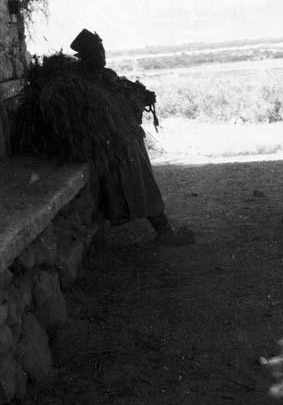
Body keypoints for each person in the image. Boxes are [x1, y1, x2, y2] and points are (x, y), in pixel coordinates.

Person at [69, 28, 195, 246]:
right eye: (96, 51)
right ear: (85, 57)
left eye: (102, 49)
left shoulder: (107, 77)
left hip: (123, 139)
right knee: (136, 171)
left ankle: (162, 227)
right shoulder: (80, 84)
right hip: (110, 145)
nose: (102, 55)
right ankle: (163, 230)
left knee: (136, 162)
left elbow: (124, 98)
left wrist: (141, 97)